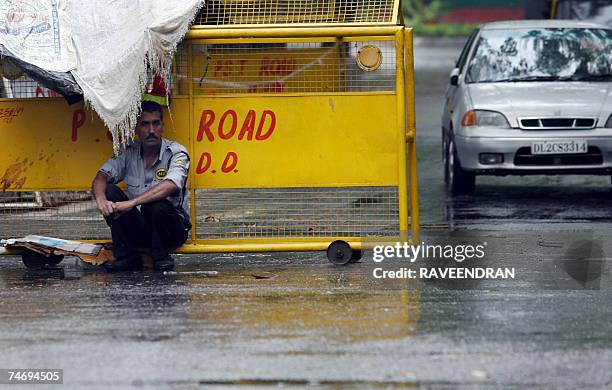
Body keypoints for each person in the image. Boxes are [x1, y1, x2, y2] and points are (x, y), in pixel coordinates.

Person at [92, 101, 191, 272]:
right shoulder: (128, 151)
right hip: (140, 228)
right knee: (109, 191)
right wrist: (101, 200)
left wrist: (132, 203)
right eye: (145, 124)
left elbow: (172, 184)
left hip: (171, 230)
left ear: (163, 126)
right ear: (136, 128)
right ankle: (128, 256)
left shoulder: (177, 152)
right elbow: (102, 176)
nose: (151, 130)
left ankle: (161, 257)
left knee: (154, 204)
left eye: (156, 123)